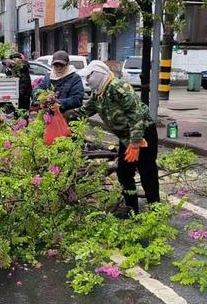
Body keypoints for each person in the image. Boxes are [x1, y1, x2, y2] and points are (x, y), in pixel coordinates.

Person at [67, 60, 160, 214]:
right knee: (124, 173)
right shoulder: (98, 95)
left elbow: (135, 113)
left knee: (147, 172)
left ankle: (156, 210)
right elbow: (83, 112)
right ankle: (131, 209)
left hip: (143, 133)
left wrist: (136, 142)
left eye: (89, 76)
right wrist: (60, 114)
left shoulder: (117, 87)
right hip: (126, 138)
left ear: (98, 74)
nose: (87, 80)